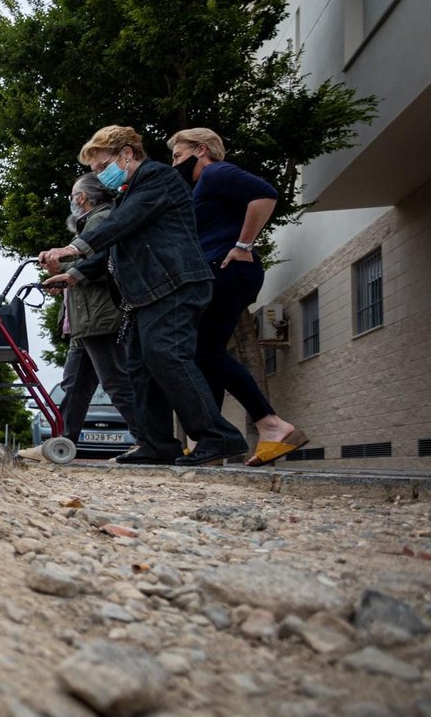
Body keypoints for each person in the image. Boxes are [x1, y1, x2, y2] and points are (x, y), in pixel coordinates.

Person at [39, 125, 247, 466]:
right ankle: (157, 444)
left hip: (176, 283)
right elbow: (116, 249)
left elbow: (119, 226)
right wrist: (76, 274)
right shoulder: (129, 191)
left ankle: (218, 438)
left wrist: (72, 248)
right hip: (146, 293)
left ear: (126, 154)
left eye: (102, 167)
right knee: (139, 366)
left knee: (168, 356)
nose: (99, 175)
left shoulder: (157, 179)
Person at [169, 128, 308, 466]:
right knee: (206, 354)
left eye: (177, 155)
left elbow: (265, 193)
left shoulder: (216, 171)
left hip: (227, 268)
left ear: (201, 149)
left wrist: (243, 246)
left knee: (205, 353)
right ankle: (210, 442)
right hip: (220, 271)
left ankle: (272, 425)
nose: (174, 162)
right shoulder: (202, 186)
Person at [19, 174, 140, 462]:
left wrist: (66, 266)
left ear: (82, 197)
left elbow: (102, 264)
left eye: (74, 195)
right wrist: (61, 272)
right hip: (85, 320)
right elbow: (84, 266)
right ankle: (60, 444)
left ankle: (149, 440)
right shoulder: (92, 222)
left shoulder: (99, 220)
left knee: (116, 381)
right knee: (73, 388)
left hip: (98, 315)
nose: (73, 201)